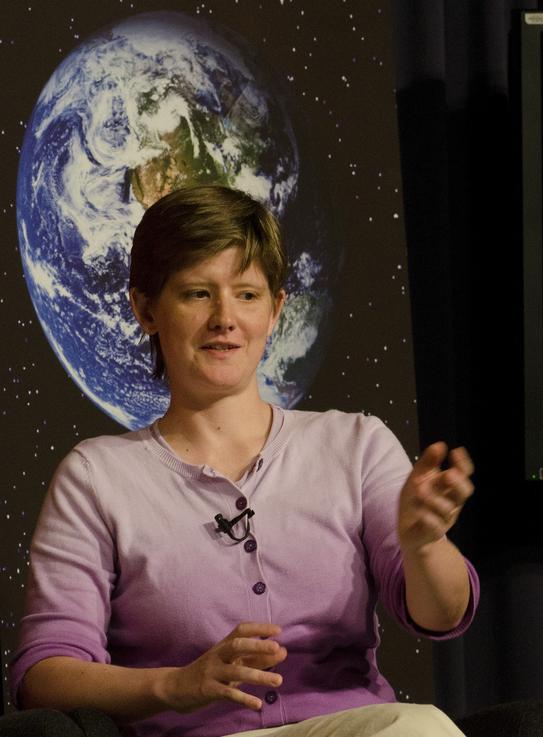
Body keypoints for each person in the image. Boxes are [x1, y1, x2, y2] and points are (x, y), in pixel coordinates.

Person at [9, 185, 478, 737]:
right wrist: (175, 685)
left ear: (276, 309)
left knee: (420, 728)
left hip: (350, 728)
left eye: (248, 295)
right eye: (197, 294)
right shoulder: (95, 478)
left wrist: (425, 546)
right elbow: (43, 676)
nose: (225, 319)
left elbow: (440, 614)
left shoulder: (356, 444)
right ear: (146, 310)